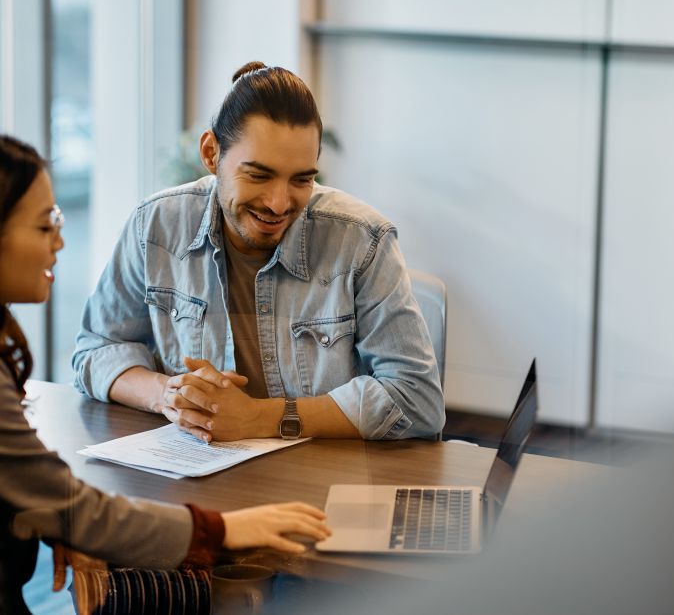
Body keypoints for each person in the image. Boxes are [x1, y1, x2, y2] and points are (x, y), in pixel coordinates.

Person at [0, 130, 330, 614]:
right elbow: (74, 506)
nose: (59, 239)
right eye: (44, 224)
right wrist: (227, 529)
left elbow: (21, 491)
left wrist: (47, 514)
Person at [73, 61, 445, 443]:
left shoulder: (363, 240)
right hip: (199, 477)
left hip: (320, 479)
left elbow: (417, 399)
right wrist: (166, 395)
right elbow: (96, 350)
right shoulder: (155, 226)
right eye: (259, 175)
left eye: (302, 179)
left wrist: (264, 418)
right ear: (211, 153)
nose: (279, 203)